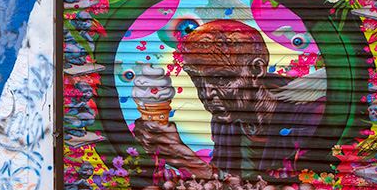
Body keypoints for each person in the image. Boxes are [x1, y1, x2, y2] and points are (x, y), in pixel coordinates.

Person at [135, 20, 324, 180]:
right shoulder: (228, 117)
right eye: (196, 80)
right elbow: (225, 188)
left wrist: (188, 161)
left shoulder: (311, 114)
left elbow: (289, 187)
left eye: (220, 78)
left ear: (256, 70)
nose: (207, 94)